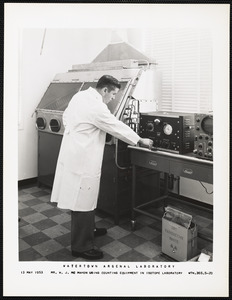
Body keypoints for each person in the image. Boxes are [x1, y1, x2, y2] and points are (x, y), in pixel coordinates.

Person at [50, 75, 153, 260]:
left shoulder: (80, 96)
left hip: (75, 151)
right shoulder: (96, 106)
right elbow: (115, 125)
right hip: (83, 159)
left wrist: (79, 132)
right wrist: (139, 140)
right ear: (105, 90)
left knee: (84, 197)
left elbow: (66, 115)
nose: (113, 98)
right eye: (113, 94)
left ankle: (90, 229)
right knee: (82, 199)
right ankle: (81, 246)